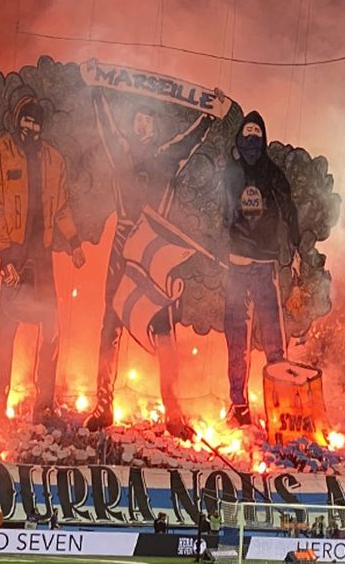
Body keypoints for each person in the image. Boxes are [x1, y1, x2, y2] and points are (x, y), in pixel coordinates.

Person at [83, 82, 226, 439]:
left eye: (148, 122)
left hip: (154, 244)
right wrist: (96, 91)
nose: (142, 127)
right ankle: (104, 404)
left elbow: (191, 142)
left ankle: (173, 411)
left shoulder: (167, 156)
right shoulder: (121, 152)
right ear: (132, 127)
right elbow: (105, 126)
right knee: (111, 322)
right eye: (138, 121)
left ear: (155, 128)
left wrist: (211, 117)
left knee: (164, 328)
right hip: (122, 242)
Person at [0, 91, 84, 423]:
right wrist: (5, 257)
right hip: (13, 258)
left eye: (36, 122)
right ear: (17, 120)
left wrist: (73, 241)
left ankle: (43, 406)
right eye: (26, 120)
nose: (31, 127)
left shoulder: (54, 160)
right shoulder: (0, 153)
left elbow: (62, 206)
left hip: (42, 259)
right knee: (5, 331)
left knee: (51, 329)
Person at [221, 110, 301, 425]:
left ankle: (279, 407)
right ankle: (238, 406)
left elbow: (289, 207)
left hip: (265, 264)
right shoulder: (230, 172)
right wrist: (222, 242)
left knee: (274, 339)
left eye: (257, 133)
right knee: (237, 339)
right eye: (247, 132)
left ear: (263, 138)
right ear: (240, 138)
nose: (252, 139)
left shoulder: (273, 173)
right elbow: (222, 210)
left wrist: (294, 245)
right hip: (238, 264)